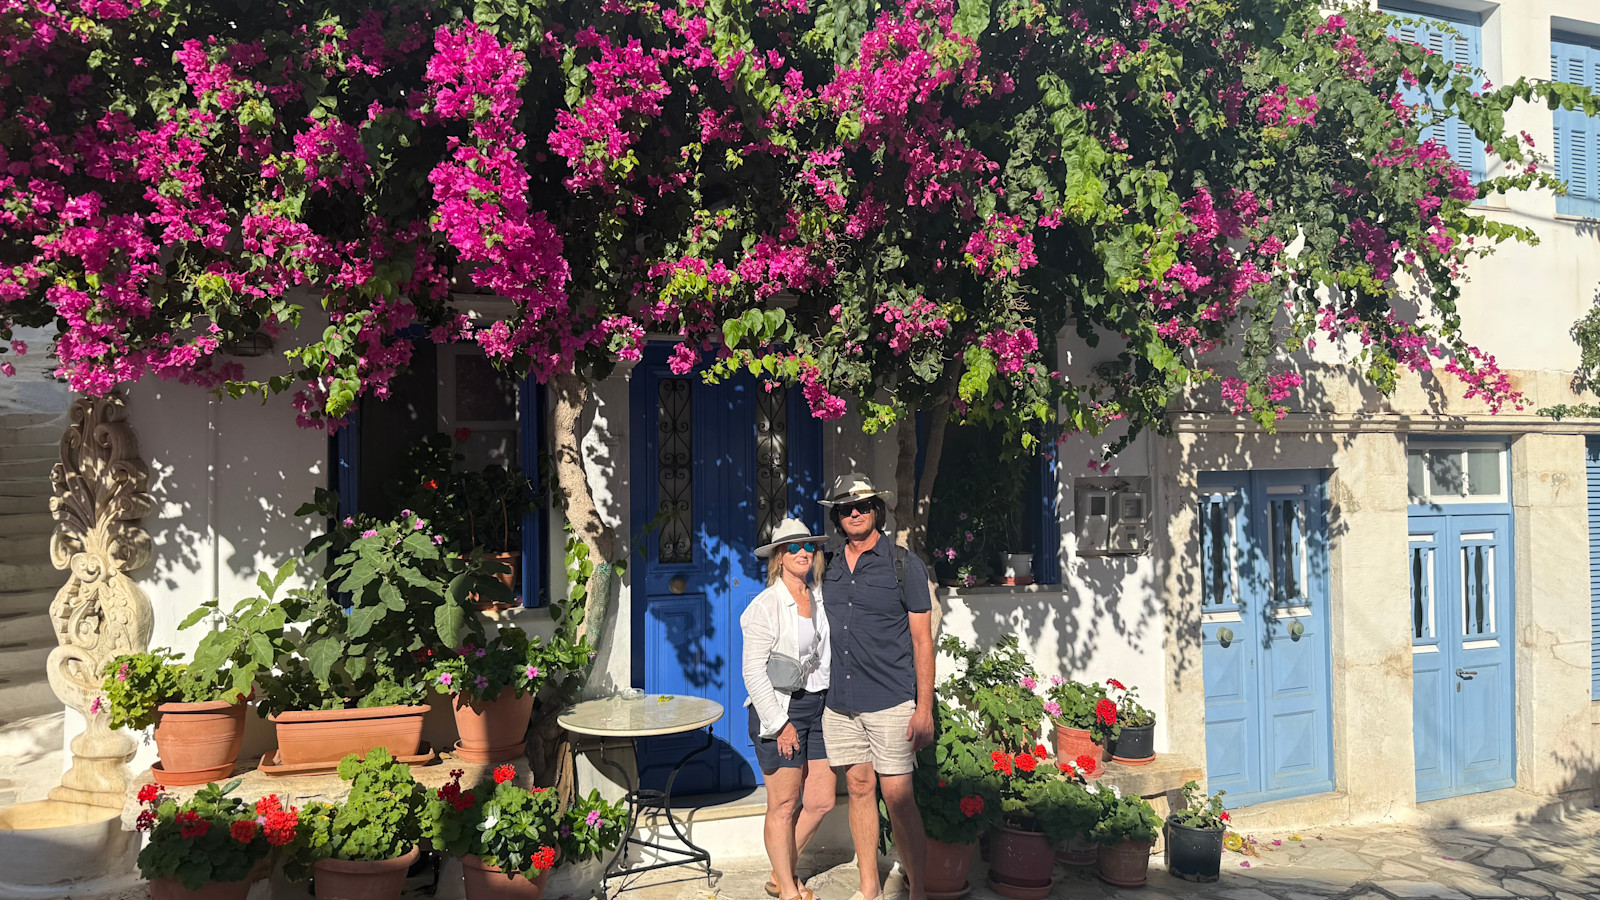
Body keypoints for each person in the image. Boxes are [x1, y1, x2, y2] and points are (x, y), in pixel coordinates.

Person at [818, 473, 934, 900]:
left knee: (899, 798)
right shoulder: (825, 563)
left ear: (877, 511)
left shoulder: (905, 565)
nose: (854, 513)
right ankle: (870, 888)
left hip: (890, 700)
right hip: (841, 701)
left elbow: (923, 640)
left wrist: (924, 709)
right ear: (837, 516)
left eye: (862, 506)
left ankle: (919, 890)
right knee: (861, 790)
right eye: (846, 508)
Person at [742, 516, 836, 900]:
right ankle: (787, 890)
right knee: (783, 805)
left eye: (808, 546)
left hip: (820, 707)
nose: (802, 552)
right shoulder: (765, 606)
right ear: (779, 558)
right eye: (792, 547)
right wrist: (780, 724)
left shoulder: (818, 597)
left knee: (821, 800)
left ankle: (780, 871)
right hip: (783, 710)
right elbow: (752, 671)